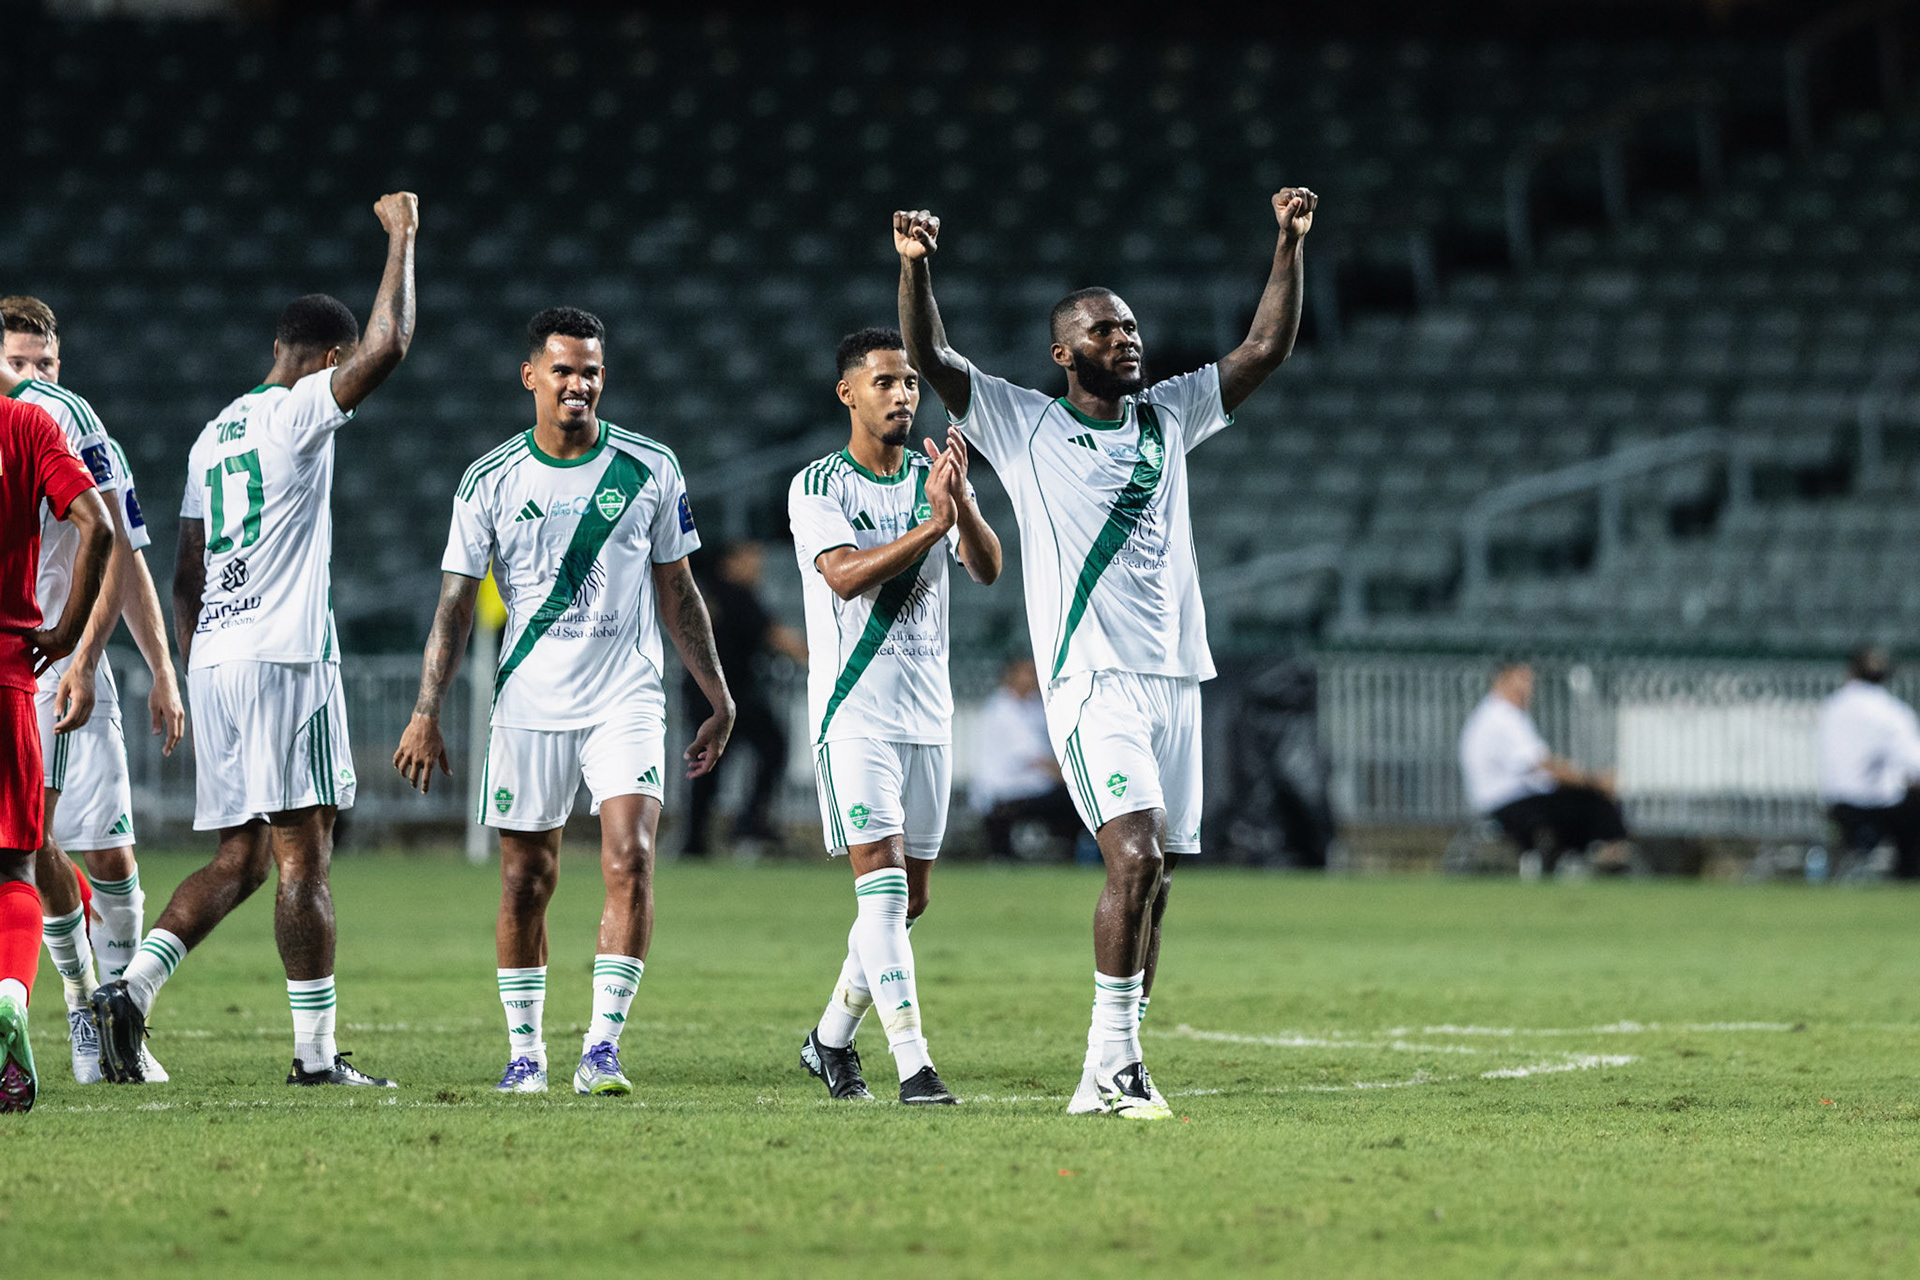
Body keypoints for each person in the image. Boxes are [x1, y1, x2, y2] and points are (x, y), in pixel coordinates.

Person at [894, 187, 1316, 1120]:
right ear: (1063, 353)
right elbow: (932, 355)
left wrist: (1285, 245)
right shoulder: (1022, 423)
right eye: (1102, 330)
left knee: (1157, 877)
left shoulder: (1169, 416)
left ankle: (1105, 1067)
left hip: (1175, 676)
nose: (1125, 339)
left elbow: (1264, 350)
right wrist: (916, 266)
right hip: (1091, 677)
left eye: (1129, 327)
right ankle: (1119, 1067)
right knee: (1129, 857)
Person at [89, 192, 419, 1088]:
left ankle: (129, 991)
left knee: (237, 857)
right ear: (325, 360)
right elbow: (391, 346)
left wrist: (193, 666)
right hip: (283, 660)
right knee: (303, 855)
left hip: (222, 659)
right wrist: (402, 238)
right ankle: (316, 1062)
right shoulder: (298, 411)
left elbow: (186, 573)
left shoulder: (211, 436)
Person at [392, 307, 733, 1098]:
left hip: (627, 694)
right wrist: (424, 708)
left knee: (631, 857)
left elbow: (678, 588)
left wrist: (716, 693)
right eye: (564, 370)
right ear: (531, 378)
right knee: (524, 879)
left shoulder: (650, 467)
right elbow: (452, 603)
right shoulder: (490, 479)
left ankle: (603, 1049)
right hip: (529, 699)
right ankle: (526, 1055)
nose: (578, 384)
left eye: (592, 372)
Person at [787, 326, 1002, 1105]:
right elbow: (843, 578)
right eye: (885, 381)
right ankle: (915, 1066)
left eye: (910, 381)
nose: (904, 393)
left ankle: (829, 1041)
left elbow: (985, 567)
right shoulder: (818, 486)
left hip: (927, 716)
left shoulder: (931, 476)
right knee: (879, 894)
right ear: (848, 392)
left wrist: (961, 507)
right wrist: (931, 526)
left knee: (910, 901)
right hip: (854, 714)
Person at [3, 295, 186, 1085]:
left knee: (105, 850)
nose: (33, 376)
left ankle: (121, 1020)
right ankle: (86, 1013)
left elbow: (123, 547)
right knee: (30, 845)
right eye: (17, 362)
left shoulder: (67, 417)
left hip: (64, 660)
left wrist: (151, 666)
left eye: (44, 363)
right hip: (20, 663)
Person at [0, 391, 113, 1113]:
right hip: (8, 675)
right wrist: (69, 632)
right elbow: (97, 527)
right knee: (13, 864)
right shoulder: (26, 424)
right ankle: (10, 993)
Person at [680, 540, 806, 855]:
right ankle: (749, 820)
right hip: (731, 695)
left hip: (701, 692)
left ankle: (695, 839)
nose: (758, 566)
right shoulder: (737, 595)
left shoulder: (706, 591)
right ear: (731, 561)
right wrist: (820, 660)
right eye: (752, 559)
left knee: (707, 766)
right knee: (772, 746)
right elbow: (776, 637)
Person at [1459, 661, 1630, 876]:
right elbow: (1540, 764)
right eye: (1521, 679)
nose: (1528, 687)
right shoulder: (1501, 717)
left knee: (1578, 799)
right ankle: (1604, 856)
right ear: (1501, 680)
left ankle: (1577, 856)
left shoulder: (1502, 715)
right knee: (1592, 799)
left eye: (1530, 680)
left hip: (1512, 797)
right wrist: (1593, 780)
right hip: (1507, 801)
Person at [1817, 646, 1920, 878]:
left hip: (1837, 802)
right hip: (1873, 803)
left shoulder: (1833, 706)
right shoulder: (1891, 712)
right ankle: (1906, 873)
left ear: (1851, 672)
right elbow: (1914, 760)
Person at [970, 656, 1082, 861]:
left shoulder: (1033, 706)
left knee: (1069, 798)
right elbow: (1036, 758)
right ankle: (1072, 855)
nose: (1032, 677)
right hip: (1005, 791)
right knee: (1074, 798)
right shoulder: (1003, 709)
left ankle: (1070, 853)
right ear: (1010, 676)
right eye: (1027, 672)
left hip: (1031, 786)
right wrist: (1074, 779)